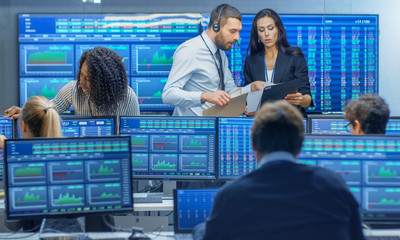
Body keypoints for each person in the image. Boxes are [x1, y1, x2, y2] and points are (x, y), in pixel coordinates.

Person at [196, 100, 364, 240]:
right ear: (300, 144)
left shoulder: (231, 195)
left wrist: (200, 230)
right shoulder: (334, 186)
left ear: (253, 144)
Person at [0, 96, 114, 232]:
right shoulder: (86, 158)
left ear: (23, 125)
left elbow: (13, 224)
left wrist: (11, 155)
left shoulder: (19, 166)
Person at [162, 4, 264, 116]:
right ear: (216, 26)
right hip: (193, 128)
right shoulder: (190, 50)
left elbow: (230, 91)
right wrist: (205, 96)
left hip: (214, 127)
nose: (237, 37)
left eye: (239, 31)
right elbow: (168, 94)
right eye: (233, 31)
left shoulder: (220, 52)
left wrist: (252, 87)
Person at [4, 47, 140, 119]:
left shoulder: (128, 97)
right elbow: (48, 108)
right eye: (81, 74)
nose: (82, 82)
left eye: (89, 78)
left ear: (105, 81)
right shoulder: (73, 89)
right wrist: (25, 112)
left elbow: (135, 135)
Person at [243, 8, 313, 117]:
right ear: (257, 34)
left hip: (291, 121)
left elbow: (307, 100)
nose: (266, 34)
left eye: (270, 28)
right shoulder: (250, 61)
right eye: (261, 30)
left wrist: (300, 99)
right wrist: (247, 108)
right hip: (264, 123)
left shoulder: (295, 55)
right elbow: (247, 98)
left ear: (278, 29)